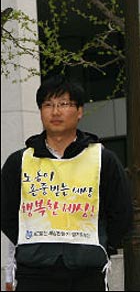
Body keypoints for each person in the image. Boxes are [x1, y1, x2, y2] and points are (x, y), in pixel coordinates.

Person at [1, 75, 133, 291]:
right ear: (40, 111)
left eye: (64, 104)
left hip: (87, 272)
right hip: (34, 272)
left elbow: (122, 212)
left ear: (79, 111)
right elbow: (6, 213)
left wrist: (102, 244)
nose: (55, 111)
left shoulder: (103, 159)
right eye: (48, 105)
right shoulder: (19, 161)